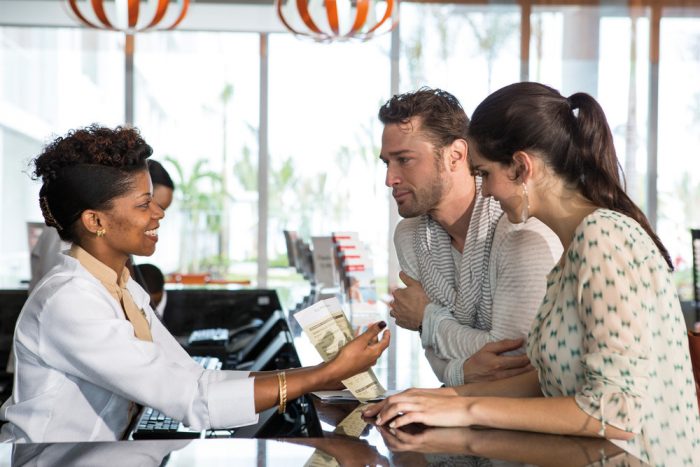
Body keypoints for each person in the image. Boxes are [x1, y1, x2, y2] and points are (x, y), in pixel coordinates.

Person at [366, 82, 700, 465]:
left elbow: (615, 411)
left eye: (486, 173)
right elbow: (545, 377)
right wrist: (439, 398)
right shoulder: (575, 248)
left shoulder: (602, 236)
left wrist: (465, 410)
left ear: (522, 167)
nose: (486, 192)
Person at [0, 124, 390, 443]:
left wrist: (323, 369)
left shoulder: (121, 286)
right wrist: (321, 376)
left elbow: (192, 378)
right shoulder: (70, 300)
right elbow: (193, 400)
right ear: (94, 221)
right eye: (143, 204)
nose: (157, 215)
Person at [379, 88, 562, 386]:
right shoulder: (410, 236)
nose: (390, 179)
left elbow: (514, 359)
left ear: (456, 155)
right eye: (387, 162)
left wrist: (427, 318)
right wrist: (460, 371)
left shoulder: (519, 227)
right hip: (463, 406)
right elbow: (438, 357)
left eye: (404, 159)